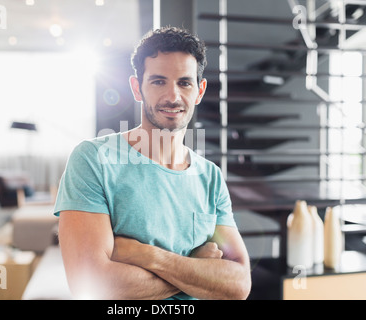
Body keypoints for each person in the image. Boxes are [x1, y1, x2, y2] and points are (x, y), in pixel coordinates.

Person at [54, 26, 251, 300]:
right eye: (158, 81)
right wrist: (199, 268)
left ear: (199, 91)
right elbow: (90, 285)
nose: (173, 96)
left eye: (184, 83)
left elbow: (238, 285)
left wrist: (147, 256)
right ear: (137, 88)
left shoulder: (210, 177)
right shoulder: (92, 161)